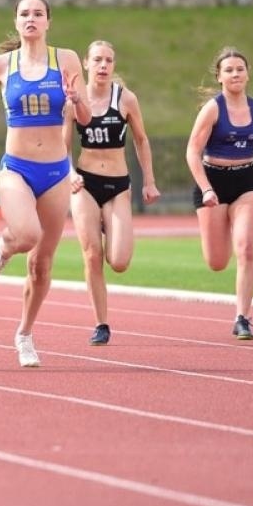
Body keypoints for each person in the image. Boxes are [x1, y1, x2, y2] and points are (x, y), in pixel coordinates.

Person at [0, 0, 89, 368]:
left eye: (38, 14)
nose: (31, 19)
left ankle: (25, 335)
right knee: (27, 235)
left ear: (48, 22)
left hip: (57, 172)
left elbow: (87, 118)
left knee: (42, 264)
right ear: (16, 22)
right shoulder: (1, 64)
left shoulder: (67, 59)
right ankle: (0, 251)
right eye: (25, 13)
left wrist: (76, 101)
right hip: (17, 168)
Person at [184, 47, 253, 341]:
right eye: (228, 70)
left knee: (247, 248)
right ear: (219, 77)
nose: (235, 74)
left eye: (240, 69)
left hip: (245, 182)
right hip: (212, 182)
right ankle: (223, 227)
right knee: (217, 262)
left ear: (248, 73)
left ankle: (242, 318)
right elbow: (192, 150)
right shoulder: (213, 109)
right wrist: (205, 188)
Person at [69, 39, 160, 346]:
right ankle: (101, 324)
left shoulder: (125, 99)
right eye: (97, 60)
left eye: (108, 60)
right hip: (85, 184)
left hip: (118, 184)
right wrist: (69, 174)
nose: (103, 66)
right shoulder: (74, 100)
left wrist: (148, 181)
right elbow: (61, 142)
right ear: (86, 63)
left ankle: (109, 222)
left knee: (119, 262)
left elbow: (142, 140)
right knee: (92, 255)